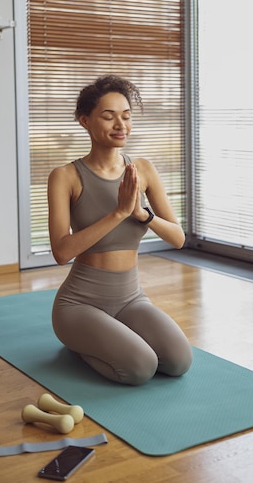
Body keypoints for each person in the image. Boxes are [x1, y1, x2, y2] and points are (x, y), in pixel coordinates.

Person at [48, 74, 193, 385]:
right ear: (84, 120)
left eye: (126, 116)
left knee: (179, 361)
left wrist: (141, 213)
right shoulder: (66, 176)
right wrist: (119, 212)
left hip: (131, 298)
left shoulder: (143, 170)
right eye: (108, 116)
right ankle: (80, 343)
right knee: (141, 368)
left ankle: (109, 339)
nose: (120, 125)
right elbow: (61, 252)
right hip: (79, 304)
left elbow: (178, 238)